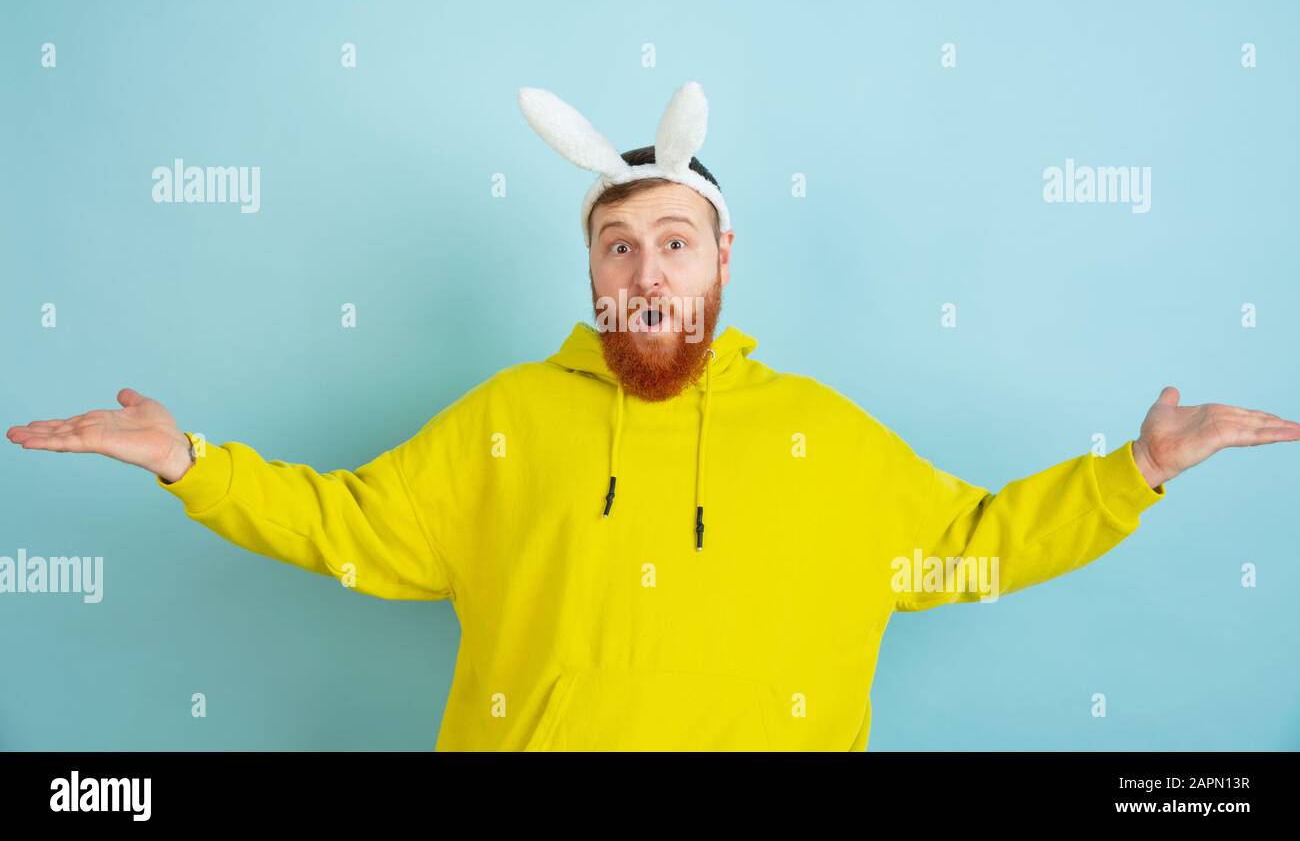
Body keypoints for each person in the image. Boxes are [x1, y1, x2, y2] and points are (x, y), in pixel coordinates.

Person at [8, 82, 1300, 751]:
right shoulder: (509, 416)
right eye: (616, 246)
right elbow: (353, 525)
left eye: (672, 241)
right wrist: (190, 462)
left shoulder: (820, 432)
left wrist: (1135, 470)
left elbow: (969, 542)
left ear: (722, 258)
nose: (645, 272)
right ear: (591, 272)